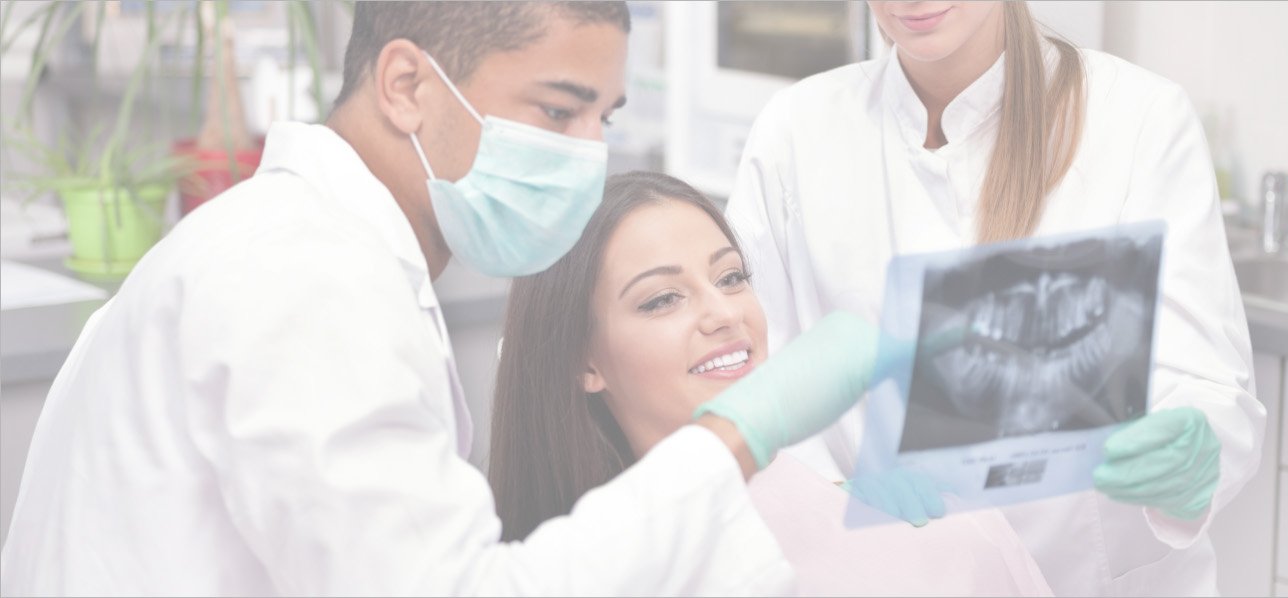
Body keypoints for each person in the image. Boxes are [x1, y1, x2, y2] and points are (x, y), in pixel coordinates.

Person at [0, 4, 878, 595]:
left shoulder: (307, 251)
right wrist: (735, 432)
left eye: (602, 118)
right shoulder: (299, 279)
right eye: (558, 113)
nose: (589, 155)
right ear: (407, 87)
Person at [724, 1, 1265, 595]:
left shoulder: (1138, 119)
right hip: (885, 576)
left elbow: (1207, 381)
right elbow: (747, 383)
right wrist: (822, 494)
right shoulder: (796, 131)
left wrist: (1189, 451)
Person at [488, 170, 1054, 597]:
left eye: (731, 276)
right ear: (583, 363)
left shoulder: (925, 532)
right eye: (662, 299)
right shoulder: (591, 565)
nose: (724, 313)